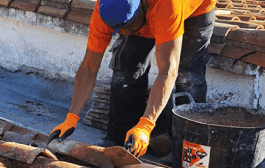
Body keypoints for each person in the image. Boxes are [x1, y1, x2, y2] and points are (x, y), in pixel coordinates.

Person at [48, 0, 216, 157]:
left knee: (187, 76)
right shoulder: (105, 8)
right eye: (118, 30)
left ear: (141, 9)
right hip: (144, 15)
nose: (122, 33)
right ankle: (119, 140)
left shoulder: (166, 7)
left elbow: (168, 71)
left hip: (193, 9)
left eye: (126, 27)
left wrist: (146, 125)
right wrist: (72, 117)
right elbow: (89, 67)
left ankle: (185, 152)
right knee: (126, 64)